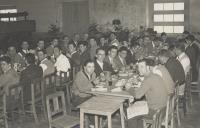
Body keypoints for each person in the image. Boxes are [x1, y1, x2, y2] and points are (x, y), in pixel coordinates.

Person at [126, 59, 168, 128]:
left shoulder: (148, 79)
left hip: (155, 111)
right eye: (138, 67)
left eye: (142, 67)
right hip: (162, 109)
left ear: (148, 67)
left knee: (130, 112)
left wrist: (129, 88)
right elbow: (148, 85)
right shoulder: (155, 75)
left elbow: (137, 95)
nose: (139, 69)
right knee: (136, 107)